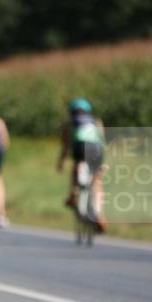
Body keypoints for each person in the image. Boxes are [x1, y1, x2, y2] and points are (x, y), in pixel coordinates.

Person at [58, 98, 106, 231]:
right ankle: (99, 213)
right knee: (97, 180)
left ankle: (73, 195)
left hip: (80, 148)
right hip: (96, 150)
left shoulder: (70, 122)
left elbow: (66, 145)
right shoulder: (95, 120)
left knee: (77, 166)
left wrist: (61, 162)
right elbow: (101, 139)